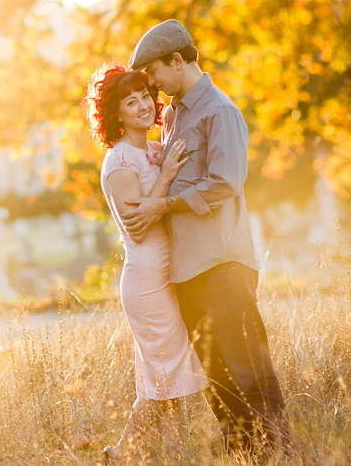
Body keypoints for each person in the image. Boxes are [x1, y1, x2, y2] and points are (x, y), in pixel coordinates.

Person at [122, 19, 290, 456]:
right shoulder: (175, 115)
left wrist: (164, 205)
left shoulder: (220, 111)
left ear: (177, 60)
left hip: (222, 262)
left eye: (154, 72)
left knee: (249, 368)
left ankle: (278, 454)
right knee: (217, 375)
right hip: (188, 267)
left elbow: (226, 181)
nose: (152, 83)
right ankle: (244, 454)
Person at [85, 63, 209, 461]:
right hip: (146, 280)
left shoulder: (155, 149)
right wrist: (167, 174)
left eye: (144, 97)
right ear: (116, 114)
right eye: (130, 101)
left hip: (170, 273)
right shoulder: (119, 162)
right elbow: (137, 227)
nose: (142, 106)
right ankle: (121, 453)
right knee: (163, 376)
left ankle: (158, 453)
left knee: (166, 377)